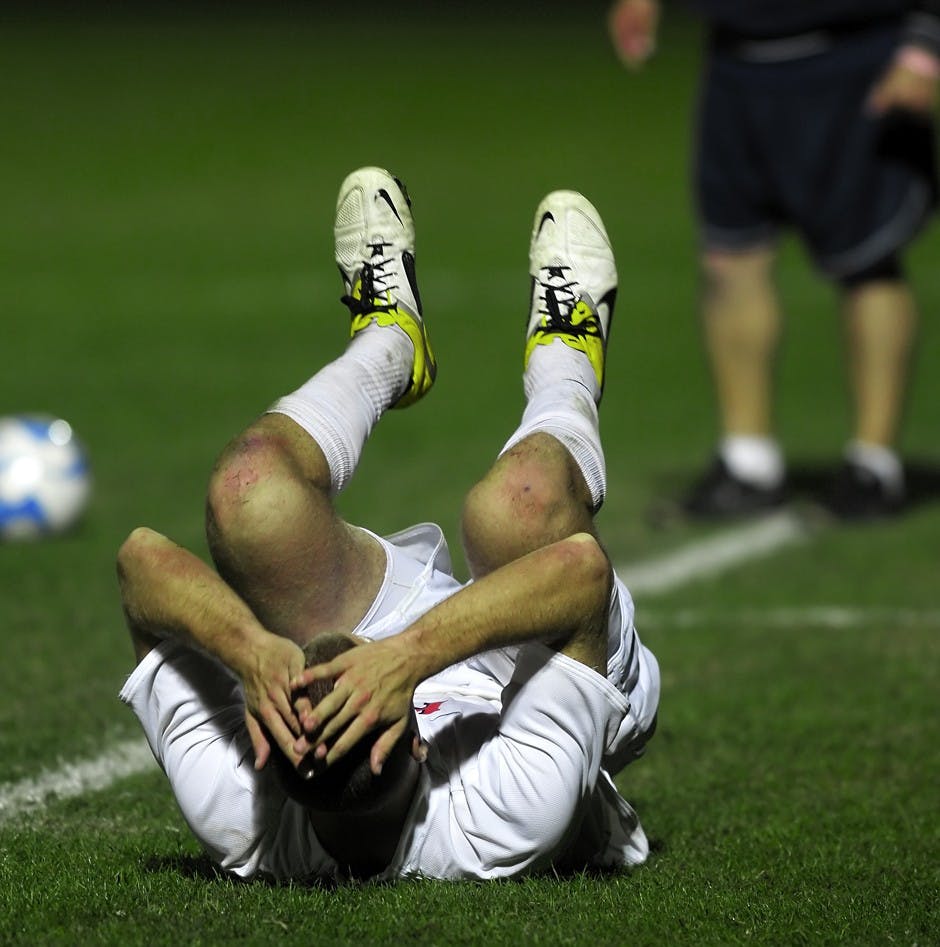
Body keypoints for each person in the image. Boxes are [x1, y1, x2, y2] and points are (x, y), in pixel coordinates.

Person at [117, 167, 660, 882]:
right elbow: (581, 576)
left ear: (266, 753)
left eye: (304, 673)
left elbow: (139, 560)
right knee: (516, 506)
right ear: (414, 747)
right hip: (544, 663)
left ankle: (390, 345)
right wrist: (407, 656)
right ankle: (568, 356)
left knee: (248, 494)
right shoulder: (498, 815)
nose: (316, 659)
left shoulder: (240, 809)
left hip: (412, 637)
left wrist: (249, 648)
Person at [609, 0, 940, 519]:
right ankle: (749, 463)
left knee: (869, 261)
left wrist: (925, 48)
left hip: (855, 53)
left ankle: (875, 467)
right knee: (729, 257)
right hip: (736, 61)